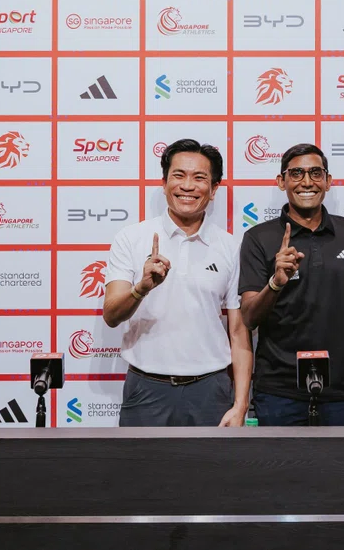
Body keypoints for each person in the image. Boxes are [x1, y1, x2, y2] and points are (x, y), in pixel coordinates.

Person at [103, 139, 252, 427]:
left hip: (211, 391)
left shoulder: (230, 246)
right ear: (164, 183)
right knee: (139, 473)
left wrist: (241, 404)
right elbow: (111, 315)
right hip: (146, 389)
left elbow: (238, 332)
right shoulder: (131, 238)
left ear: (213, 190)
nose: (188, 186)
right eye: (179, 175)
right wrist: (140, 288)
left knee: (213, 473)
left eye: (199, 178)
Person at [239, 143, 344, 426]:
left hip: (342, 392)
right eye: (297, 173)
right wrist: (275, 283)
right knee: (281, 470)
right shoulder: (258, 238)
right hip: (279, 392)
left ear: (328, 181)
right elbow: (249, 317)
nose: (307, 182)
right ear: (281, 181)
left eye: (315, 173)